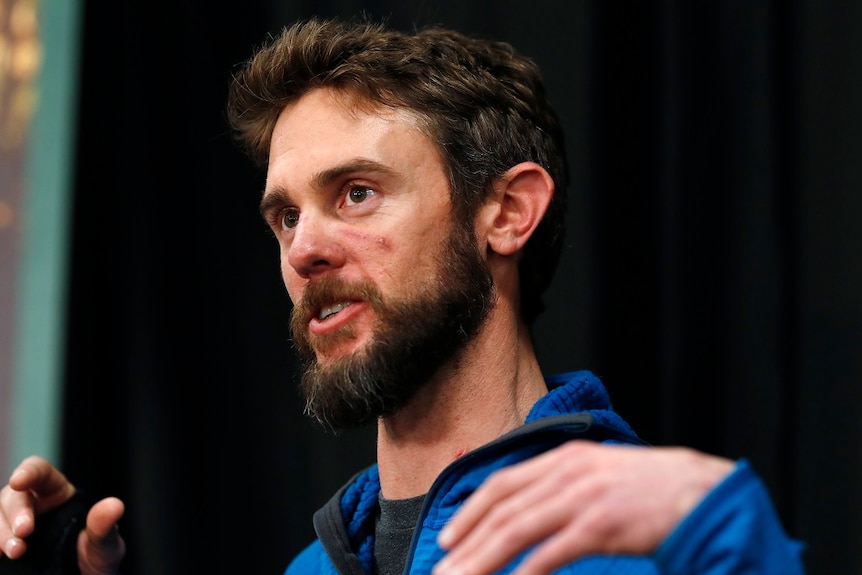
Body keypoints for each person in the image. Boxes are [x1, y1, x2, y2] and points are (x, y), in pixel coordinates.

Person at [0, 16, 805, 575]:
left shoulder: (650, 538)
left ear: (508, 212)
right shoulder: (314, 564)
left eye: (355, 193)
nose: (304, 247)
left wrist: (726, 538)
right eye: (284, 215)